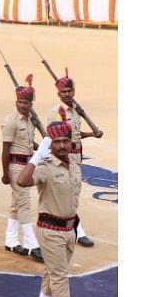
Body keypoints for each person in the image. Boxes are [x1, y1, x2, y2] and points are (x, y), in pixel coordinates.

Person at [16, 120, 94, 297]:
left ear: (71, 142)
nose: (61, 145)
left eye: (65, 141)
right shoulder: (46, 166)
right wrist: (37, 156)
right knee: (60, 277)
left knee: (52, 274)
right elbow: (21, 181)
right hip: (50, 231)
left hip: (69, 230)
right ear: (50, 144)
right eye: (57, 141)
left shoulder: (74, 164)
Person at [50, 70, 101, 247]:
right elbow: (55, 139)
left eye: (69, 91)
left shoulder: (76, 111)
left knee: (74, 194)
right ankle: (78, 231)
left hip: (77, 157)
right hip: (65, 158)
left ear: (74, 92)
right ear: (58, 94)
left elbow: (76, 135)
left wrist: (93, 134)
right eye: (64, 92)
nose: (67, 94)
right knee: (67, 194)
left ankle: (67, 226)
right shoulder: (57, 112)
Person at [1, 75, 43, 261]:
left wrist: (42, 149)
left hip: (27, 164)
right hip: (15, 166)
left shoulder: (30, 121)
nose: (22, 105)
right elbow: (6, 150)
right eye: (19, 102)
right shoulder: (11, 121)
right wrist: (5, 173)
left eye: (26, 102)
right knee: (24, 203)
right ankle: (31, 244)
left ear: (31, 103)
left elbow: (28, 142)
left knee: (17, 204)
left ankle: (10, 240)